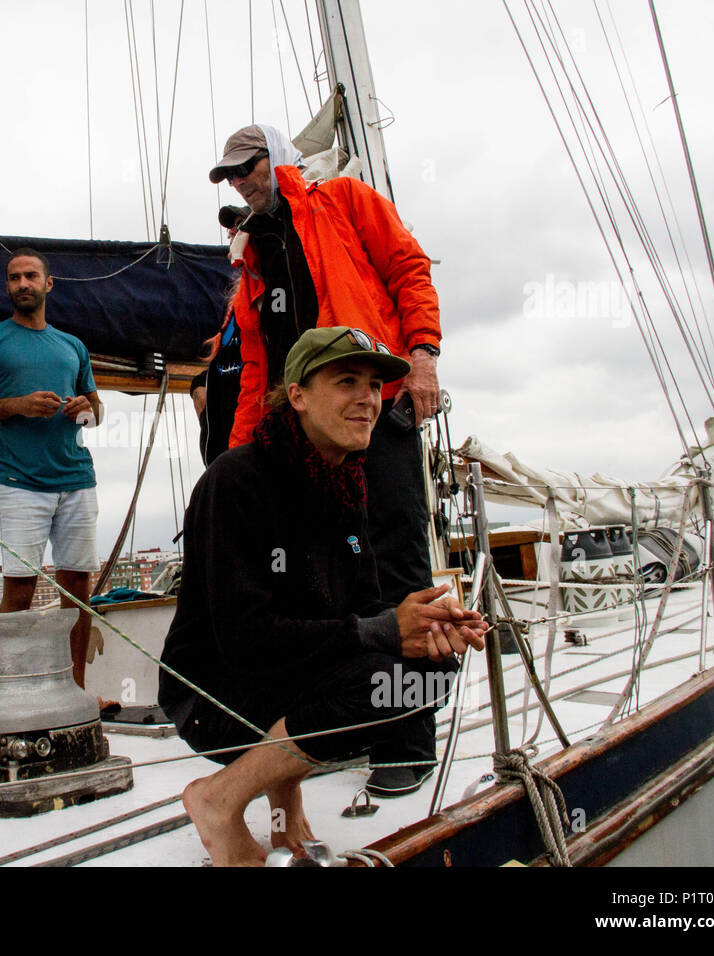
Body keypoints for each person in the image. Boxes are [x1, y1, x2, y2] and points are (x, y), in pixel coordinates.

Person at [159, 327, 487, 866]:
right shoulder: (236, 480)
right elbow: (245, 641)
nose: (368, 398)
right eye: (347, 381)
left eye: (376, 385)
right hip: (211, 696)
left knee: (426, 673)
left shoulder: (344, 483)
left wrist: (426, 625)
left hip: (281, 676)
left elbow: (352, 614)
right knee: (382, 680)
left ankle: (283, 802)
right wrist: (381, 631)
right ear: (298, 396)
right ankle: (218, 800)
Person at [209, 123, 444, 794]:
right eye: (226, 175)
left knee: (398, 563)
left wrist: (422, 353)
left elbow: (408, 267)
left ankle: (408, 741)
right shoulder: (253, 258)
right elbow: (259, 364)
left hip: (377, 408)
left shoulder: (342, 200)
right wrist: (241, 455)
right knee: (327, 582)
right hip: (303, 435)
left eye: (246, 167)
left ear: (277, 159)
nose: (237, 181)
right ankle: (352, 723)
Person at [0, 248, 103, 687]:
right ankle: (2, 688)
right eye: (15, 277)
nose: (23, 283)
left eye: (31, 276)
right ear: (7, 287)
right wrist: (19, 405)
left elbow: (96, 412)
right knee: (19, 588)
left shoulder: (73, 345)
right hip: (21, 482)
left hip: (77, 479)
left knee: (77, 588)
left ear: (47, 284)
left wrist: (84, 408)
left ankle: (76, 689)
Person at [191, 205, 246, 466]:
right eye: (230, 231)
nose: (233, 233)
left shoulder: (277, 293)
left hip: (252, 453)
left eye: (241, 225)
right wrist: (199, 387)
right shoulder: (235, 305)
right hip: (223, 458)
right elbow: (227, 362)